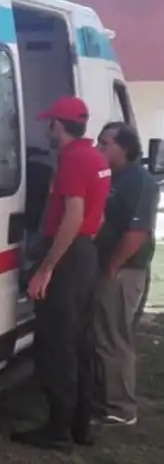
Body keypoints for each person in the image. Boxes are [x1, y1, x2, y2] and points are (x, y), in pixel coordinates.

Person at [14, 95, 111, 451]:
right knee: (81, 342)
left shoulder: (72, 159)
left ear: (59, 125)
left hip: (69, 256)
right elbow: (96, 217)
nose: (47, 129)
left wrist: (47, 268)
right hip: (86, 253)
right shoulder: (97, 157)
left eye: (49, 123)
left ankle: (57, 430)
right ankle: (80, 426)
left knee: (58, 344)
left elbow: (74, 214)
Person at [92, 122, 158, 426]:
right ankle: (104, 396)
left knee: (113, 337)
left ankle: (120, 408)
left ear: (125, 148)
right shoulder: (110, 176)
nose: (99, 148)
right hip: (108, 265)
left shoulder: (138, 180)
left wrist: (113, 265)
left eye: (105, 144)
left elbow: (136, 232)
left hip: (123, 270)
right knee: (102, 333)